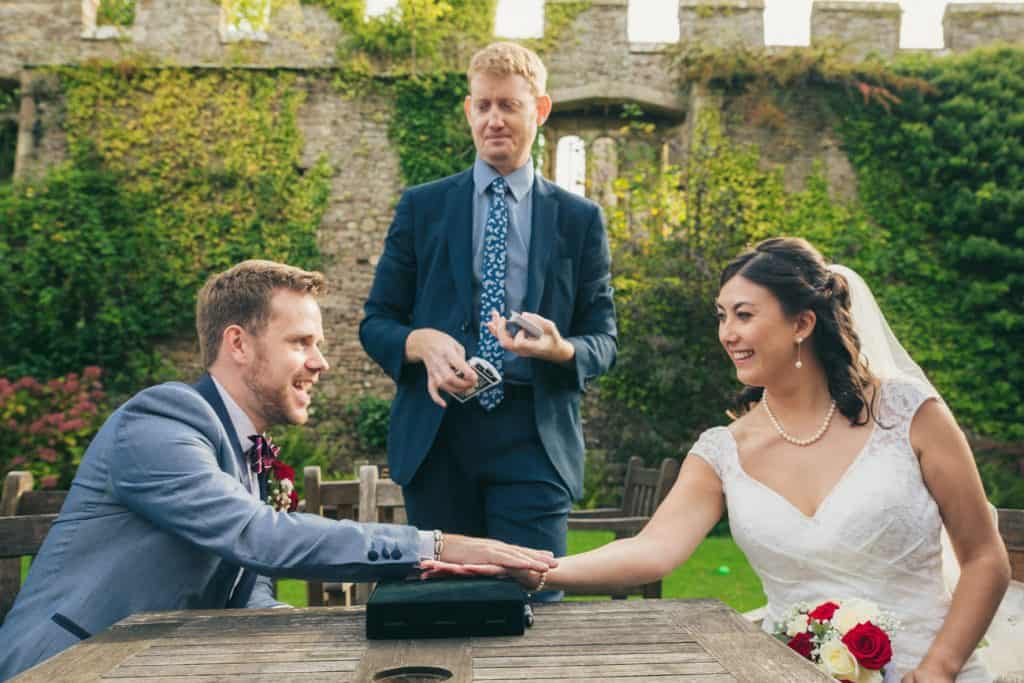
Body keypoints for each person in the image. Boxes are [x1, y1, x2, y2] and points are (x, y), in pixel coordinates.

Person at [0, 260, 556, 680]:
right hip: (68, 666)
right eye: (301, 343)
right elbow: (256, 535)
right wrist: (435, 546)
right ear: (237, 344)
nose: (321, 362)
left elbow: (251, 596)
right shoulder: (160, 420)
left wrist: (331, 648)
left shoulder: (251, 451)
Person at [498, 238, 1012, 681]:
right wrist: (539, 571)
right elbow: (652, 550)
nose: (727, 334)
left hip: (933, 670)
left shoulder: (908, 413)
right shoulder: (724, 449)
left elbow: (985, 557)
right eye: (722, 316)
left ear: (802, 323)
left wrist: (941, 667)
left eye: (744, 314)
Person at [359, 40, 617, 596]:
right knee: (441, 605)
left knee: (532, 605)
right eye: (483, 106)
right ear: (468, 110)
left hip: (534, 439)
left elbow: (604, 340)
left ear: (540, 110)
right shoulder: (422, 207)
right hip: (437, 439)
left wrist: (561, 350)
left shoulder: (579, 220)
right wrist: (421, 342)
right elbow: (376, 321)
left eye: (509, 105)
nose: (494, 119)